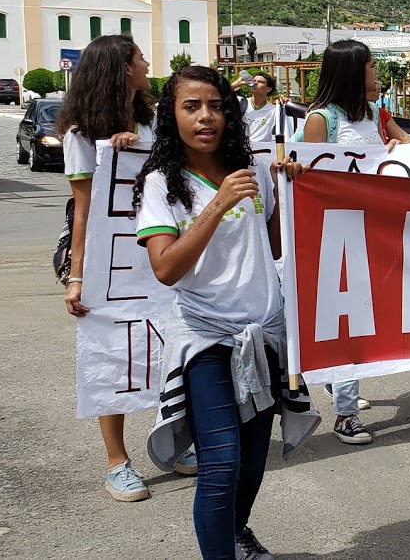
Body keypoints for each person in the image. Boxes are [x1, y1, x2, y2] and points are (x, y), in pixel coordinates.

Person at [134, 66, 317, 559]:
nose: (206, 117)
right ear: (172, 117)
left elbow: (275, 245)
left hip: (263, 334)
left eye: (215, 106)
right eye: (191, 107)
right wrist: (217, 204)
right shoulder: (160, 184)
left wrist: (289, 192)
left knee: (253, 462)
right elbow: (166, 269)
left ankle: (235, 535)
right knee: (221, 464)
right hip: (205, 338)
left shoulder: (252, 171)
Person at [56, 35, 188, 502]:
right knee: (112, 356)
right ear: (122, 69)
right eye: (139, 58)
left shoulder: (155, 123)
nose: (147, 63)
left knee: (172, 348)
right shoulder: (80, 136)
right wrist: (77, 278)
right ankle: (117, 462)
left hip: (162, 251)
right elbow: (84, 210)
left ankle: (174, 443)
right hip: (112, 264)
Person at [302, 39, 410, 444]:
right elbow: (311, 179)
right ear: (353, 72)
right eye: (370, 66)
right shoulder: (321, 119)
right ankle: (346, 413)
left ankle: (337, 378)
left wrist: (397, 147)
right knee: (351, 321)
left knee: (373, 315)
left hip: (377, 229)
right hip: (339, 233)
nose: (376, 73)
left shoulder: (375, 114)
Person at [239, 72, 293, 143]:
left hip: (262, 148)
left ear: (268, 89)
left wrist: (284, 103)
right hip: (242, 147)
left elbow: (285, 131)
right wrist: (238, 83)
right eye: (254, 81)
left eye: (260, 82)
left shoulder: (274, 110)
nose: (255, 83)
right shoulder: (241, 102)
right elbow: (224, 94)